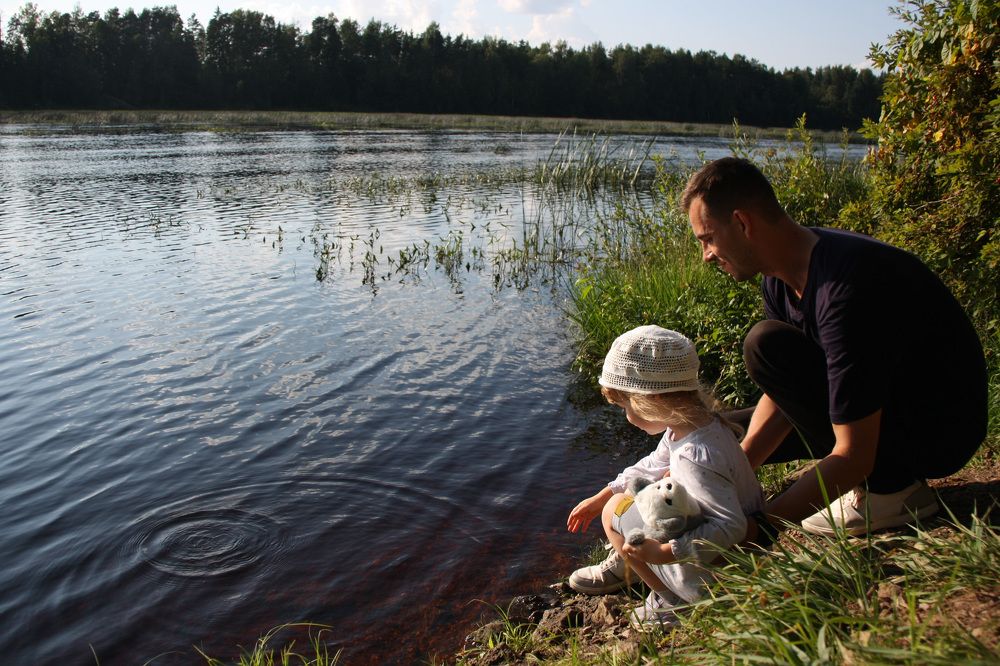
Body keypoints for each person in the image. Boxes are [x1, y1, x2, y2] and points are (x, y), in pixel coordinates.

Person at [680, 157, 987, 541]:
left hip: (938, 431)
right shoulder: (780, 276)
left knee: (763, 345)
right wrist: (735, 470)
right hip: (887, 401)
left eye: (707, 238)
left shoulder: (845, 289)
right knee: (713, 433)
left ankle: (892, 490)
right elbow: (786, 391)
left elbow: (853, 455)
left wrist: (756, 529)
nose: (706, 254)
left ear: (742, 223)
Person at [566, 325, 764, 627]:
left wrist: (664, 552)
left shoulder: (694, 456)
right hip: (738, 556)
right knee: (625, 495)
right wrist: (601, 495)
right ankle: (642, 569)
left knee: (613, 512)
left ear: (653, 399)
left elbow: (732, 526)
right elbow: (650, 465)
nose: (626, 416)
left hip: (722, 576)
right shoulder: (696, 428)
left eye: (626, 406)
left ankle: (671, 600)